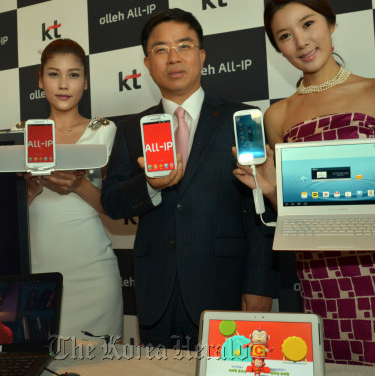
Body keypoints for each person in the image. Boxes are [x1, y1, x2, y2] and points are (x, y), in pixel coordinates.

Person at [232, 0, 375, 369]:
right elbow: (292, 212)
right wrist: (272, 191)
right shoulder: (277, 116)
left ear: (330, 23)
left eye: (308, 24)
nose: (302, 42)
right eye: (285, 36)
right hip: (322, 275)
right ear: (278, 49)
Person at [101, 8, 278, 348]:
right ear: (147, 63)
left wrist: (259, 285)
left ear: (202, 55)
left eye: (184, 46)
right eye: (161, 49)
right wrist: (150, 185)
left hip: (224, 287)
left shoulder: (241, 119)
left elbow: (259, 212)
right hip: (157, 292)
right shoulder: (129, 128)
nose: (174, 58)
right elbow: (111, 201)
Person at [24, 38, 122, 340]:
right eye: (54, 74)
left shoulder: (104, 131)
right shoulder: (21, 134)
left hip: (93, 273)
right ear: (40, 80)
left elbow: (114, 208)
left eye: (73, 74)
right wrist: (30, 191)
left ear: (85, 82)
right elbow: (4, 215)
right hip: (36, 273)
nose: (63, 84)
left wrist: (79, 184)